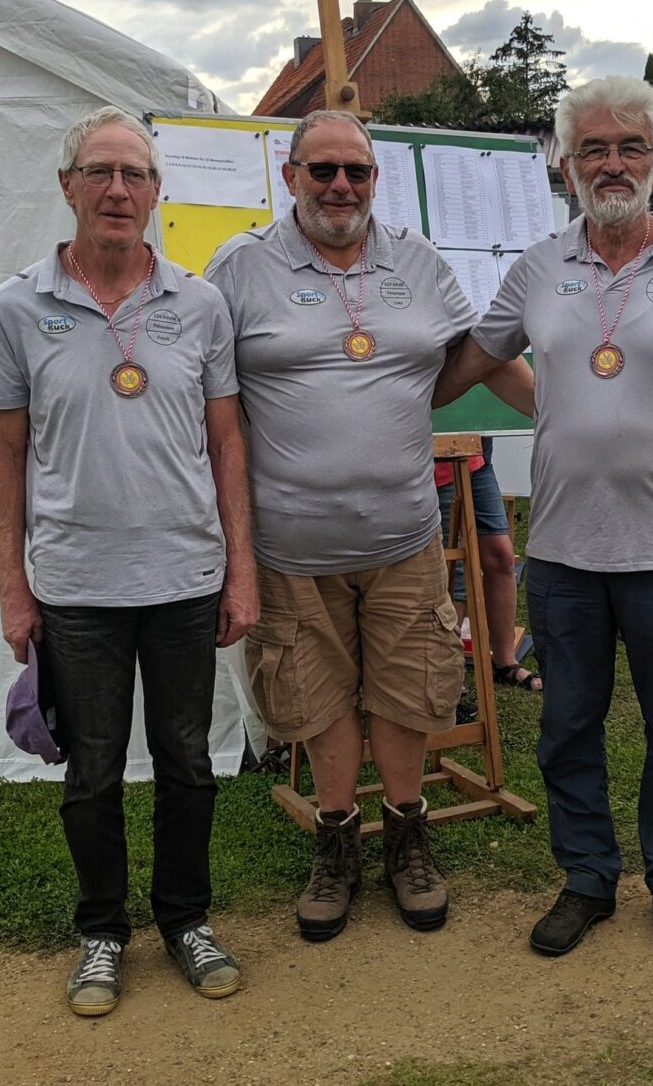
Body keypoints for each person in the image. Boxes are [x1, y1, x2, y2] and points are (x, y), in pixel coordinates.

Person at [434, 76, 653, 963]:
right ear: (567, 163)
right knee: (567, 727)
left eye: (629, 147)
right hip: (565, 555)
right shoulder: (538, 267)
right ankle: (586, 878)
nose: (612, 164)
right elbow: (476, 358)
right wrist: (382, 389)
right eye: (593, 149)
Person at [205, 109, 525, 942]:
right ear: (291, 176)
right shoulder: (239, 267)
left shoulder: (418, 261)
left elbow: (476, 352)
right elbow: (205, 395)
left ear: (376, 179)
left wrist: (567, 410)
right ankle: (338, 842)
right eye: (323, 170)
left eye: (357, 171)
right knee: (314, 700)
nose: (341, 186)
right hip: (290, 548)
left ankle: (408, 835)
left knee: (408, 688)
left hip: (404, 538)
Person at [0, 107, 258, 1016]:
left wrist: (242, 571)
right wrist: (14, 589)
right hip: (76, 585)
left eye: (134, 175)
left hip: (185, 578)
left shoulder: (199, 304)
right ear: (67, 186)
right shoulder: (18, 306)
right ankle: (102, 931)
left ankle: (186, 919)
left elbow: (227, 444)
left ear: (155, 192)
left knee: (187, 760)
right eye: (99, 172)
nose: (116, 190)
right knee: (93, 768)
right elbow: (4, 452)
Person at [435, 438, 542, 711]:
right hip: (440, 463)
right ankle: (450, 680)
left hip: (475, 458)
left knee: (501, 556)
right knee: (455, 574)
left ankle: (504, 662)